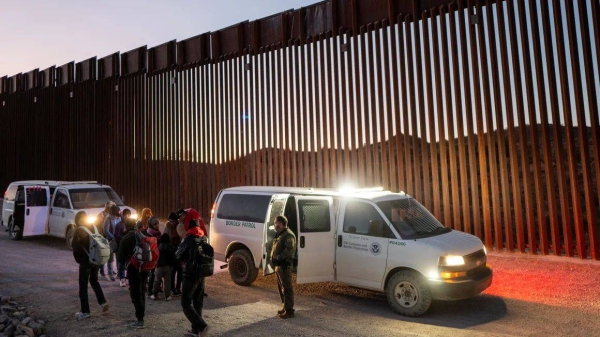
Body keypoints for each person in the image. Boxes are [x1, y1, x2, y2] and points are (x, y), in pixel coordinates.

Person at [72, 212, 110, 320]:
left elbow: (75, 248)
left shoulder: (79, 231)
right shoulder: (94, 227)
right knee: (94, 280)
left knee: (83, 285)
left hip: (86, 261)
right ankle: (103, 302)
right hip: (96, 260)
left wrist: (79, 260)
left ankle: (85, 311)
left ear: (78, 220)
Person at [176, 219, 209, 336]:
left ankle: (202, 325)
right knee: (198, 301)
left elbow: (178, 255)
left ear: (188, 227)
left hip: (190, 274)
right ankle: (196, 331)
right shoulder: (204, 238)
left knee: (185, 302)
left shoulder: (188, 239)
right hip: (202, 274)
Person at [117, 221, 151, 329]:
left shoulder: (126, 238)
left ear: (125, 227)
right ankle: (141, 315)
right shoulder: (144, 235)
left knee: (135, 293)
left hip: (133, 269)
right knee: (141, 290)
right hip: (145, 267)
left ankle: (140, 320)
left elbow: (120, 259)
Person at [270, 215, 296, 319]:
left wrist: (280, 257)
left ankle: (289, 311)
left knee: (287, 288)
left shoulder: (288, 235)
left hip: (285, 266)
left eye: (279, 224)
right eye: (275, 223)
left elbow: (289, 249)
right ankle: (285, 307)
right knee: (282, 288)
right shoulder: (280, 234)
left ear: (284, 224)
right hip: (279, 266)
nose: (276, 225)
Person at [151, 233, 176, 301]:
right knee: (167, 281)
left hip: (159, 266)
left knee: (157, 281)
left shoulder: (158, 246)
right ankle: (167, 296)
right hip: (168, 266)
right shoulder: (171, 247)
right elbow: (174, 257)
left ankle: (155, 295)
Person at [164, 211, 182, 296]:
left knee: (180, 270)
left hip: (179, 250)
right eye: (171, 221)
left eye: (174, 221)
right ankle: (172, 287)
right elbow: (165, 240)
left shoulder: (179, 226)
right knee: (173, 271)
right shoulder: (167, 228)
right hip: (171, 251)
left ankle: (178, 287)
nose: (172, 223)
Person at [115, 214, 136, 287]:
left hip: (125, 255)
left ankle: (122, 279)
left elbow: (121, 254)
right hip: (134, 257)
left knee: (121, 265)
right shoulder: (137, 234)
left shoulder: (125, 236)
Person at [102, 205, 121, 281]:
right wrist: (113, 237)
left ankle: (119, 273)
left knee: (118, 257)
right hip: (111, 240)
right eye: (118, 211)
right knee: (111, 258)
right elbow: (105, 230)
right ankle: (110, 274)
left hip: (118, 240)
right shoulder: (108, 219)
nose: (120, 212)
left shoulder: (119, 218)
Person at [98, 201, 116, 278]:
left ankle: (110, 270)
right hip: (103, 237)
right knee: (104, 255)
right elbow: (99, 225)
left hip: (110, 237)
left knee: (111, 254)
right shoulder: (102, 215)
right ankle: (102, 270)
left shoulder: (112, 215)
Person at [146, 216, 162, 297]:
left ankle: (156, 288)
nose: (157, 225)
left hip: (157, 254)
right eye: (155, 224)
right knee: (153, 273)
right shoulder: (151, 233)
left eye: (157, 223)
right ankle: (150, 290)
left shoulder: (157, 232)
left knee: (156, 272)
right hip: (153, 255)